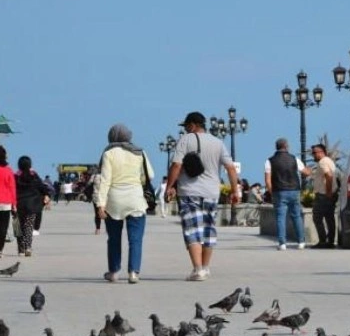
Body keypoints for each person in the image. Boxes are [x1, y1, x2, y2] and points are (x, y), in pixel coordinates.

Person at [166, 111, 239, 282]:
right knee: (208, 230)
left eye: (186, 126)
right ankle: (205, 268)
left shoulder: (185, 140)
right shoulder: (218, 142)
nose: (185, 130)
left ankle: (197, 269)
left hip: (189, 192)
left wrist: (169, 186)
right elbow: (230, 168)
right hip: (212, 193)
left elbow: (176, 165)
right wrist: (235, 190)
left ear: (192, 125)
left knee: (192, 230)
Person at [95, 124, 154, 284]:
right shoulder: (139, 152)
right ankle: (133, 272)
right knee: (135, 239)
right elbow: (150, 175)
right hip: (135, 199)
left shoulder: (109, 153)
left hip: (114, 200)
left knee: (114, 238)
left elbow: (105, 180)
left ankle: (114, 272)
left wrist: (100, 204)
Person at [264, 138, 308, 251]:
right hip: (294, 190)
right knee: (296, 216)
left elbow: (268, 180)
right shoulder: (294, 159)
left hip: (279, 191)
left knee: (280, 217)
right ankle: (301, 242)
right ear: (286, 146)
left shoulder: (270, 161)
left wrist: (271, 192)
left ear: (276, 147)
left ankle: (282, 243)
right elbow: (305, 172)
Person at [14, 156, 51, 256]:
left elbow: (11, 189)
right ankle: (28, 247)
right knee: (29, 227)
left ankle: (21, 249)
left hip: (18, 205)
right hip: (32, 205)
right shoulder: (34, 175)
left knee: (18, 227)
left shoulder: (16, 176)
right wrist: (47, 195)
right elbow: (42, 187)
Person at [303, 143, 337, 249]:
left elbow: (329, 176)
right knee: (329, 218)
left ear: (321, 152)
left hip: (323, 195)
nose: (313, 155)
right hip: (329, 194)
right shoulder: (329, 161)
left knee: (317, 218)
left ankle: (323, 241)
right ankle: (330, 241)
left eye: (314, 153)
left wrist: (328, 192)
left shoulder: (323, 162)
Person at [87, 170, 102, 234]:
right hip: (107, 196)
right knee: (108, 213)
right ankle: (109, 228)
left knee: (97, 213)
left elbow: (89, 184)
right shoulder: (108, 175)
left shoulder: (94, 176)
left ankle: (97, 229)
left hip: (96, 196)